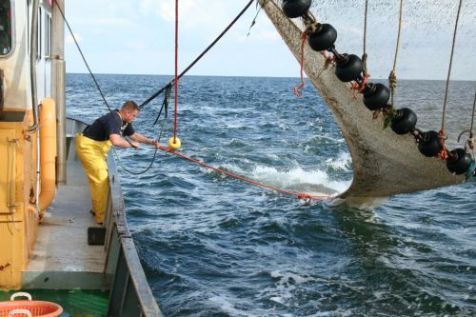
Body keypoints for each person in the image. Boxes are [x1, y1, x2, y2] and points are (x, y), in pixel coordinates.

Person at [76, 100, 159, 224]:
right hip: (89, 148)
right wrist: (131, 145)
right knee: (101, 180)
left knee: (96, 180)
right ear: (126, 112)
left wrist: (150, 142)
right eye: (134, 116)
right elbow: (115, 141)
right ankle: (100, 218)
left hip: (97, 149)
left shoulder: (124, 121)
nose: (134, 119)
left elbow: (134, 135)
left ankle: (96, 209)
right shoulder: (115, 119)